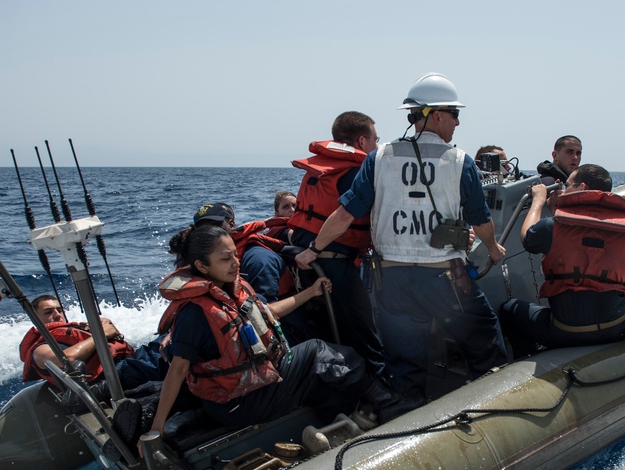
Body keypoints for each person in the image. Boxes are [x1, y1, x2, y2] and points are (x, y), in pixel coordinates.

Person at [296, 72, 507, 403]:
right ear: (435, 115)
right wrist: (493, 249)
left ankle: (406, 421)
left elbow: (345, 215)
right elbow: (480, 220)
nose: (457, 122)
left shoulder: (378, 159)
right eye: (455, 114)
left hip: (392, 282)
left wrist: (313, 249)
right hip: (445, 278)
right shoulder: (460, 161)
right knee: (485, 345)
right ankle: (496, 411)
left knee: (404, 366)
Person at [148, 224, 400, 434]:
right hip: (239, 403)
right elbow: (178, 369)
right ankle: (389, 403)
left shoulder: (230, 289)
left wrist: (310, 293)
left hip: (254, 383)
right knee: (319, 351)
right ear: (202, 266)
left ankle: (344, 423)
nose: (235, 263)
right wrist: (156, 430)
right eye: (225, 259)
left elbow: (266, 313)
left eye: (235, 255)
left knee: (322, 381)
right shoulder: (194, 313)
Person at [499, 164, 625, 356]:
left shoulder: (551, 228)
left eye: (567, 185)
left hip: (563, 332)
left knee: (510, 309)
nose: (563, 191)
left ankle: (528, 358)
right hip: (616, 330)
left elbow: (527, 237)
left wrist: (538, 200)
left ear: (581, 188)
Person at [287, 111, 386, 378]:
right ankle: (384, 392)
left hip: (308, 262)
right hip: (330, 259)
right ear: (362, 141)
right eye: (376, 140)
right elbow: (346, 216)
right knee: (364, 332)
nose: (377, 146)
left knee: (328, 329)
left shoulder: (322, 169)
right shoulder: (356, 172)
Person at [190, 202, 313, 344]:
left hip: (279, 331)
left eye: (214, 225)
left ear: (231, 224)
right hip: (226, 322)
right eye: (201, 228)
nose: (209, 233)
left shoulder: (259, 260)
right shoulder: (203, 262)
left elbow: (266, 315)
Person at [19, 295, 163, 390]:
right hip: (110, 379)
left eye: (59, 310)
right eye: (48, 312)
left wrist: (103, 325)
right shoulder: (39, 349)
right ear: (35, 318)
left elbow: (110, 328)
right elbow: (66, 359)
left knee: (169, 337)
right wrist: (100, 335)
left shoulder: (73, 330)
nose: (57, 314)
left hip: (124, 364)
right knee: (170, 351)